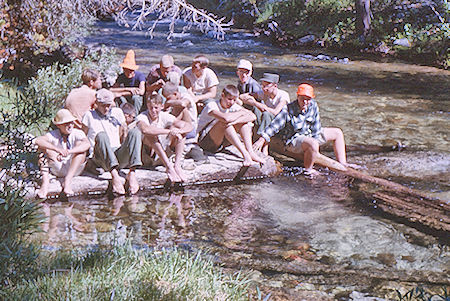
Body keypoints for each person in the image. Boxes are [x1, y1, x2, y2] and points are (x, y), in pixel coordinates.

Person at [253, 83, 354, 176]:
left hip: (309, 134)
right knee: (312, 143)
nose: (305, 102)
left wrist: (316, 143)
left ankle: (343, 163)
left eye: (308, 99)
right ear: (297, 97)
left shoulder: (313, 105)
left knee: (337, 132)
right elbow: (274, 126)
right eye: (302, 99)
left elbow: (316, 126)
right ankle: (308, 170)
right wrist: (262, 139)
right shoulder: (288, 109)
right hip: (292, 139)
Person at [82, 89, 142, 195]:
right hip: (100, 155)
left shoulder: (117, 112)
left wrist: (126, 146)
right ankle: (114, 175)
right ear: (96, 103)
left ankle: (132, 172)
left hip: (117, 154)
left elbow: (123, 132)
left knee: (135, 132)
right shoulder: (89, 116)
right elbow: (83, 137)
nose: (106, 108)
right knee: (101, 135)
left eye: (108, 105)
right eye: (103, 105)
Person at [196, 85, 264, 166]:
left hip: (221, 141)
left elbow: (253, 116)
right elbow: (225, 119)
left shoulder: (233, 105)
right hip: (205, 142)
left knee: (245, 124)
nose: (231, 102)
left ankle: (250, 152)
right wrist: (242, 113)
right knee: (224, 123)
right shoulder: (212, 105)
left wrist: (236, 122)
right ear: (222, 96)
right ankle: (245, 155)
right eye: (229, 99)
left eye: (234, 100)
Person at [137, 93, 193, 183]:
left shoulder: (164, 116)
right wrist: (169, 132)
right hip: (146, 156)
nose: (153, 111)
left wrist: (179, 131)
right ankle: (169, 167)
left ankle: (177, 166)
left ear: (162, 106)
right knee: (151, 135)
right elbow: (145, 129)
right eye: (150, 107)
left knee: (180, 132)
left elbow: (188, 126)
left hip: (161, 152)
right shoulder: (142, 117)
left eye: (156, 108)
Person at [35, 109, 90, 198]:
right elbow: (38, 141)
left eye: (71, 122)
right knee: (42, 149)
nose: (70, 125)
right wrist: (56, 149)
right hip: (58, 167)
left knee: (81, 149)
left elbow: (87, 144)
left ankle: (67, 181)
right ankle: (45, 183)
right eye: (66, 123)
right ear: (59, 125)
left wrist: (69, 152)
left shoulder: (78, 133)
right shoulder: (53, 134)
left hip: (74, 168)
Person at [110, 50, 146, 115]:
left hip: (136, 99)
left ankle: (135, 116)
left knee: (136, 98)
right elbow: (112, 89)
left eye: (131, 70)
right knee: (118, 97)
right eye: (127, 70)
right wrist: (128, 89)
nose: (129, 72)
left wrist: (123, 93)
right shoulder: (121, 76)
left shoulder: (140, 76)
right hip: (127, 97)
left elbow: (141, 91)